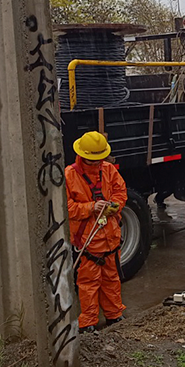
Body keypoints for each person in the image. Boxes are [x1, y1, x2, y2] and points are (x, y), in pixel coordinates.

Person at [67, 131, 128, 332]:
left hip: (110, 237)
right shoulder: (70, 175)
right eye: (92, 161)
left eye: (98, 160)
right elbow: (66, 208)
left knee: (111, 279)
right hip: (88, 241)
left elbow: (121, 192)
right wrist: (90, 207)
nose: (96, 164)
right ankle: (89, 321)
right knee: (88, 283)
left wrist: (114, 206)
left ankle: (114, 315)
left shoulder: (108, 170)